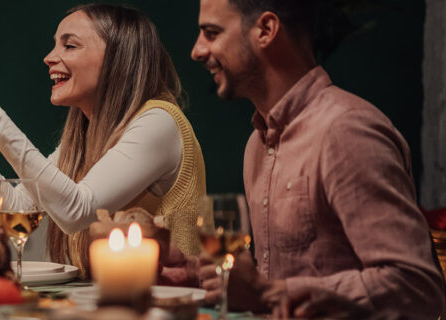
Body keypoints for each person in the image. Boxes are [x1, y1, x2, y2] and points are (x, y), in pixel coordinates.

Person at [0, 3, 207, 278]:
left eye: (70, 45)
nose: (49, 57)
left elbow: (78, 212)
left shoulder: (159, 122)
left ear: (119, 57)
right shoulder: (88, 135)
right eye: (55, 45)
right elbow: (13, 207)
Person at [190, 0, 446, 317]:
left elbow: (418, 288)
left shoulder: (346, 132)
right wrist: (194, 273)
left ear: (266, 31)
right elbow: (271, 281)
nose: (197, 51)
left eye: (211, 33)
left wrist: (267, 295)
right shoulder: (256, 144)